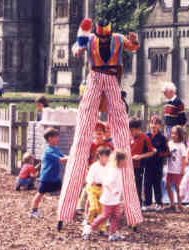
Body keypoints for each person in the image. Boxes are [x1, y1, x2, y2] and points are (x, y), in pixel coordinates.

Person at [58, 18, 143, 228]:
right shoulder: (91, 39)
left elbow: (134, 46)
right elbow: (77, 47)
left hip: (112, 80)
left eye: (106, 36)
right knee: (81, 138)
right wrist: (78, 47)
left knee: (122, 136)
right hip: (94, 79)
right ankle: (65, 211)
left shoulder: (117, 38)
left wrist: (135, 40)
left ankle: (133, 213)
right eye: (101, 36)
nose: (104, 39)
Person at [83, 151, 127, 242]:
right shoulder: (114, 171)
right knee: (104, 216)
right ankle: (88, 228)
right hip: (108, 199)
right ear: (119, 160)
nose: (126, 162)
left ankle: (112, 234)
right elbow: (106, 183)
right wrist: (113, 190)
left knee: (117, 215)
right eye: (124, 160)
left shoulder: (118, 170)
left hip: (115, 199)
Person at [29, 128, 68, 218]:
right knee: (40, 194)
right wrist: (72, 158)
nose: (57, 139)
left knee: (63, 191)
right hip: (46, 177)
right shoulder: (48, 151)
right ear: (50, 138)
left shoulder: (55, 149)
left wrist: (71, 156)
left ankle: (65, 209)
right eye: (56, 137)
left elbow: (63, 156)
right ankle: (33, 211)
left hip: (54, 177)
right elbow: (61, 159)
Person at [143, 116, 169, 212]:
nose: (154, 125)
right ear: (149, 125)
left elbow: (167, 152)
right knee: (147, 185)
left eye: (156, 123)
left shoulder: (163, 138)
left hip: (158, 165)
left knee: (157, 184)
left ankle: (159, 203)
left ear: (160, 126)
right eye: (152, 123)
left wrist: (157, 152)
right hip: (147, 165)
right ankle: (148, 203)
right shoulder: (146, 136)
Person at [84, 146, 112, 237]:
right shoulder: (94, 166)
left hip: (103, 189)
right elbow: (89, 177)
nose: (107, 158)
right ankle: (88, 225)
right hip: (93, 188)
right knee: (94, 207)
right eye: (105, 156)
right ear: (100, 156)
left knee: (103, 211)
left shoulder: (109, 166)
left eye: (108, 156)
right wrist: (91, 181)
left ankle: (102, 229)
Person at [129, 117, 156, 205]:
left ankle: (138, 205)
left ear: (138, 129)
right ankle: (130, 204)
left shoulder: (145, 138)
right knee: (128, 186)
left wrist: (140, 156)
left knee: (138, 186)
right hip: (128, 165)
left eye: (132, 130)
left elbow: (152, 152)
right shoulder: (128, 136)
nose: (131, 132)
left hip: (139, 167)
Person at [165, 125, 187, 212]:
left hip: (177, 171)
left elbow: (184, 158)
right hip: (169, 170)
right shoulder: (169, 143)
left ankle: (180, 205)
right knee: (167, 186)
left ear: (179, 135)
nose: (173, 135)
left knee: (178, 188)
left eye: (175, 134)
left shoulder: (181, 146)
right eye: (172, 133)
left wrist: (182, 169)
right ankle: (172, 204)